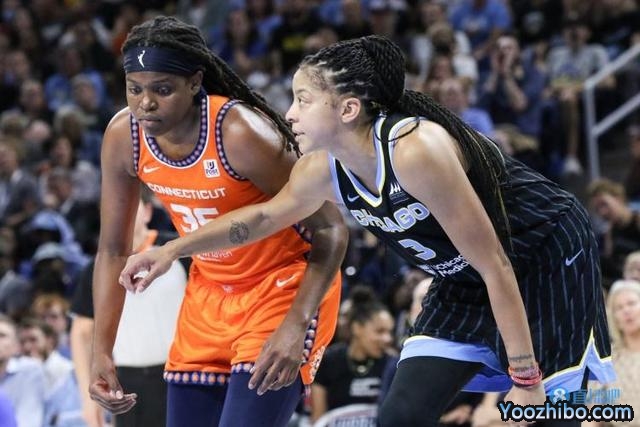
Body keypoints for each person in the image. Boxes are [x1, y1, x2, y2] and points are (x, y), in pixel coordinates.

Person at [119, 35, 615, 427]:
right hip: (464, 276)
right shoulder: (320, 169)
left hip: (543, 255)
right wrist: (172, 250)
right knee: (399, 416)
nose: (289, 113)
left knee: (547, 412)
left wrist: (525, 376)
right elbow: (261, 218)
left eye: (303, 99)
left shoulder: (415, 151)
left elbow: (497, 265)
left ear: (348, 109)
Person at [90, 15, 347, 427]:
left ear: (195, 82)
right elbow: (112, 250)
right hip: (208, 293)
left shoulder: (239, 132)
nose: (145, 103)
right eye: (134, 88)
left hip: (280, 288)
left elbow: (331, 228)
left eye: (162, 89)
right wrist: (101, 351)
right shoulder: (124, 136)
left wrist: (296, 323)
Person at [73, 188, 187, 427]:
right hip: (126, 381)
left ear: (148, 212)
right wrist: (87, 397)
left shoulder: (179, 250)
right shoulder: (97, 269)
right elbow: (82, 332)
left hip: (183, 371)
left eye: (130, 207)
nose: (121, 213)